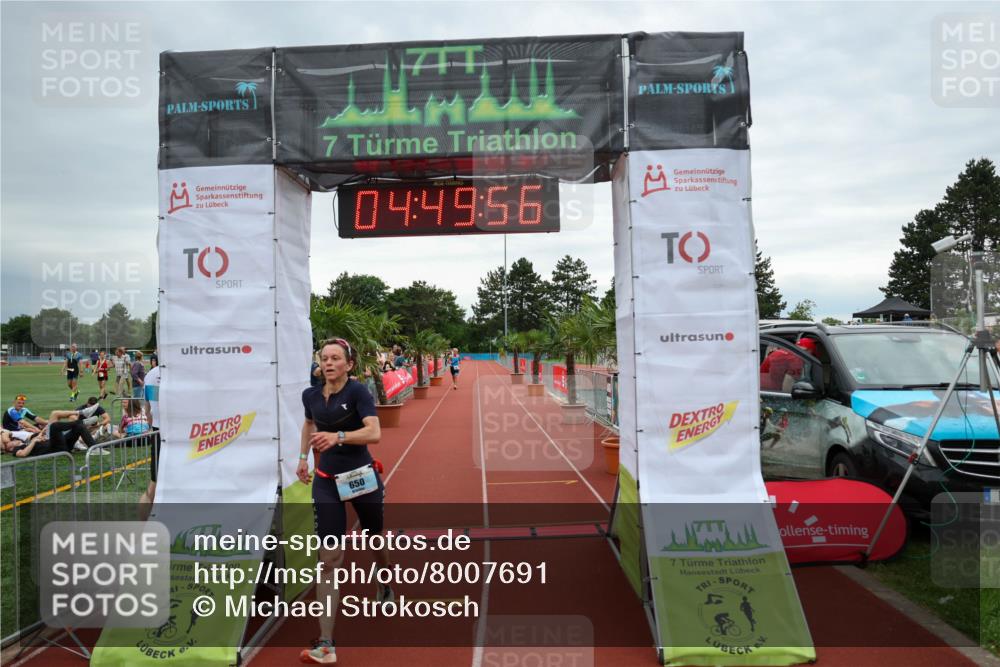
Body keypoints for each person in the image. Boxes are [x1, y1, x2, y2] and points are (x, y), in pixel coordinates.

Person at [297, 337, 392, 664]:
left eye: (336, 358)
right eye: (325, 358)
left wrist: (338, 436)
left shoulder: (358, 392)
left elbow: (374, 432)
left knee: (374, 539)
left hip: (361, 478)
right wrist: (302, 457)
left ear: (349, 364)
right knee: (329, 559)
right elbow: (309, 423)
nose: (329, 363)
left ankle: (384, 583)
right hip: (325, 483)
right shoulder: (310, 395)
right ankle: (326, 644)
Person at [139, 360, 161, 518]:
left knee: (154, 484)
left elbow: (148, 410)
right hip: (174, 434)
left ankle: (141, 531)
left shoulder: (152, 374)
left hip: (158, 432)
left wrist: (153, 426)